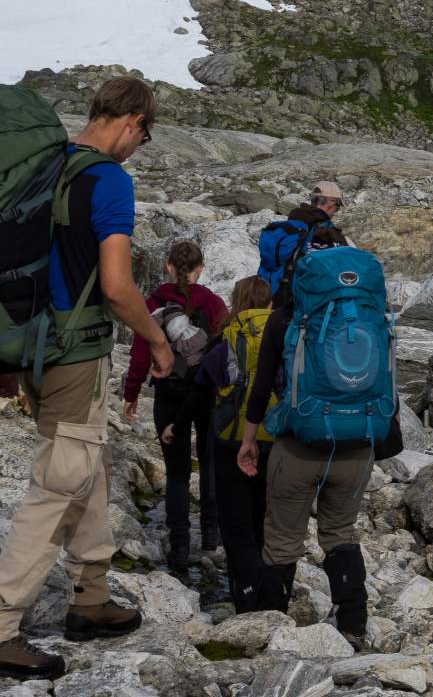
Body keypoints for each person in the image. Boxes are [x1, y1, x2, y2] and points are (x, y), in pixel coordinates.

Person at [0, 77, 174, 682]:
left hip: (27, 345)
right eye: (145, 134)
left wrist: (3, 361)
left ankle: (91, 596)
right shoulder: (107, 179)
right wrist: (155, 339)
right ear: (132, 120)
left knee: (86, 460)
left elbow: (4, 263)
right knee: (62, 478)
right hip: (75, 351)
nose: (139, 146)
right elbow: (115, 287)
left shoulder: (39, 166)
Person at [238, 226, 379, 642]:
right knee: (341, 534)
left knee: (282, 541)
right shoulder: (369, 314)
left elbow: (261, 387)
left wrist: (248, 440)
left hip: (299, 443)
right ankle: (353, 626)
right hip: (357, 444)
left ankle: (270, 629)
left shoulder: (286, 316)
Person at [123, 240, 227, 568]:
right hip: (207, 391)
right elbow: (225, 348)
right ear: (201, 269)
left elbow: (141, 352)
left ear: (167, 266)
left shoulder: (152, 303)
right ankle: (212, 536)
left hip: (169, 391)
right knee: (210, 463)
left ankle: (179, 546)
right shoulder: (212, 302)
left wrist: (132, 393)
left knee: (178, 472)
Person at [201, 276, 274, 613]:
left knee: (235, 521)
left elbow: (202, 384)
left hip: (231, 438)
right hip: (275, 438)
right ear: (269, 304)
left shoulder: (226, 339)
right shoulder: (285, 336)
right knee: (263, 516)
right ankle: (269, 592)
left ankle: (245, 596)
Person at [254, 182, 342, 288]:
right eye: (338, 207)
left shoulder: (291, 225)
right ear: (331, 203)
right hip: (298, 299)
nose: (336, 211)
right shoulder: (326, 232)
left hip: (268, 294)